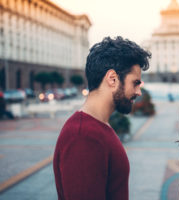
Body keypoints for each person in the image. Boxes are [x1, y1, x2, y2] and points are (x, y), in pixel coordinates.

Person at [53, 36, 151, 200]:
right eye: (135, 83)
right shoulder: (83, 136)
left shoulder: (97, 126)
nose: (139, 92)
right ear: (112, 79)